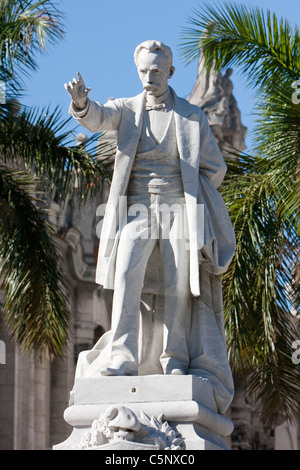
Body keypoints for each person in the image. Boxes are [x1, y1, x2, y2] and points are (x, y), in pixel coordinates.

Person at [65, 40, 235, 395]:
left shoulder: (192, 116)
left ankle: (173, 358)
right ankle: (121, 356)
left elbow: (215, 168)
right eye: (143, 71)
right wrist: (81, 104)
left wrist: (191, 192)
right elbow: (98, 116)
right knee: (126, 274)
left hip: (177, 209)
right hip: (138, 210)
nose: (149, 77)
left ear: (170, 72)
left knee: (177, 284)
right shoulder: (127, 109)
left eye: (156, 71)